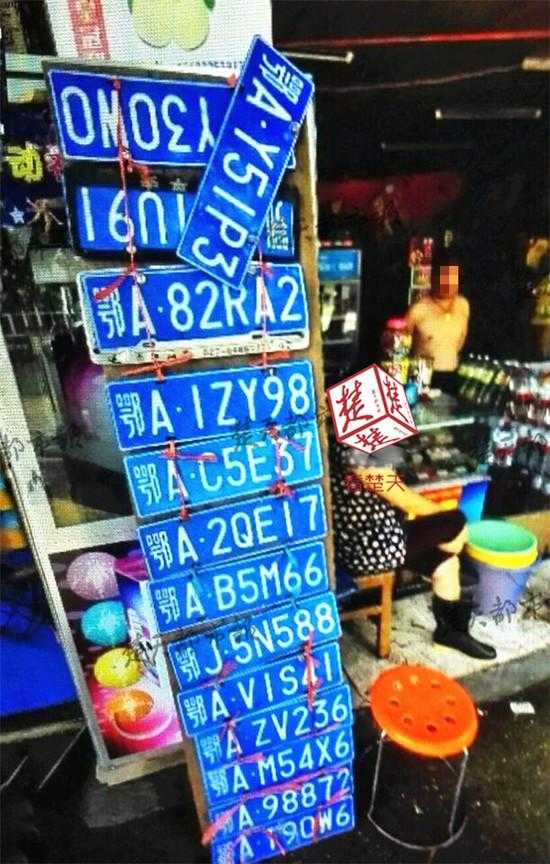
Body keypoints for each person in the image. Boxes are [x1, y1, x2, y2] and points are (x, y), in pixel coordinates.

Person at [331, 440, 496, 660]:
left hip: (380, 535)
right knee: (456, 522)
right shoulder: (354, 451)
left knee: (447, 562)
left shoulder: (361, 444)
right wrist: (449, 522)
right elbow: (406, 501)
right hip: (366, 546)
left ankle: (450, 634)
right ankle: (454, 619)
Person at [405, 250, 470, 394]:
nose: (448, 283)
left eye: (452, 278)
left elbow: (460, 343)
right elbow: (401, 350)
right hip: (423, 379)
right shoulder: (418, 310)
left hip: (452, 377)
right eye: (443, 277)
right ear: (434, 278)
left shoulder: (463, 305)